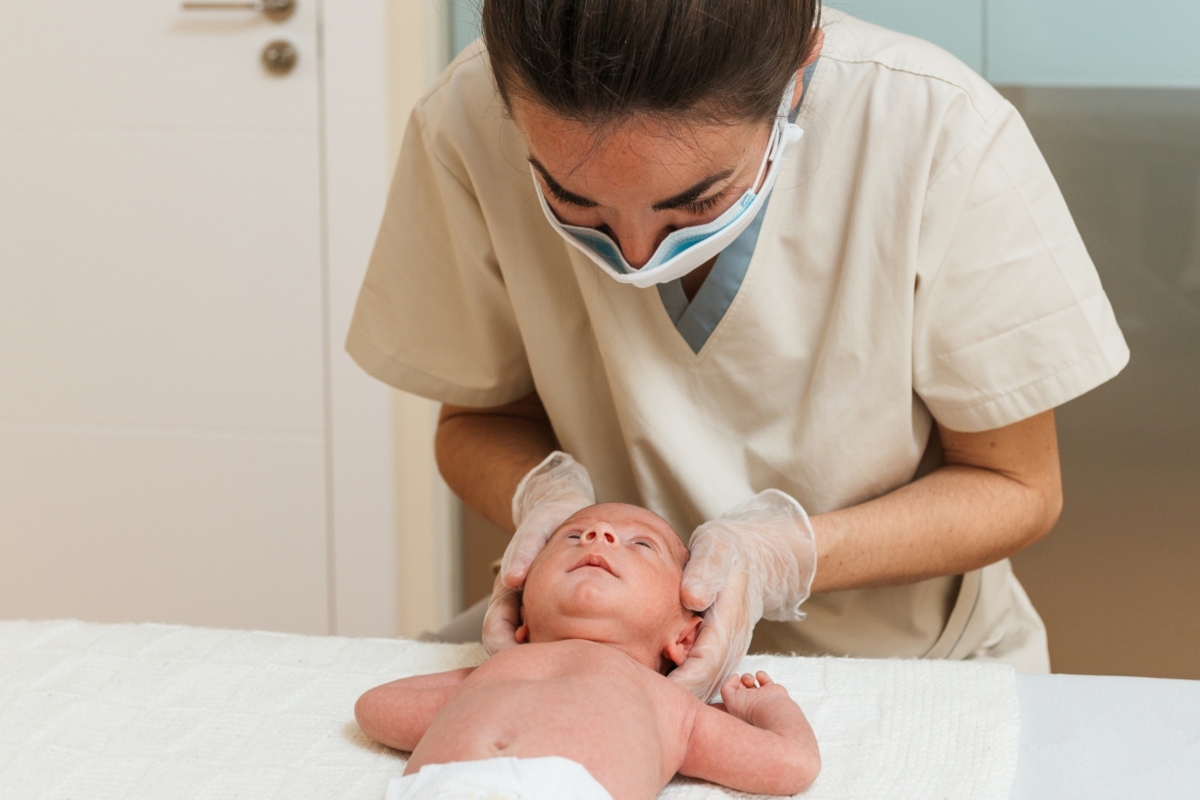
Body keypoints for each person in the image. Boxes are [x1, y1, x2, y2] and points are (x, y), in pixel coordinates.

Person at [348, 0, 1130, 701]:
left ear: (799, 77)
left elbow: (1017, 484)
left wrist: (784, 557)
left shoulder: (936, 132)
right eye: (573, 202)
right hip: (600, 668)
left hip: (908, 663)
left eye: (699, 201)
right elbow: (476, 422)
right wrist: (545, 503)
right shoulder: (463, 119)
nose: (637, 256)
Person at [355, 503, 820, 800]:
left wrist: (770, 706)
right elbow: (375, 708)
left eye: (642, 544)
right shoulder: (493, 673)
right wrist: (471, 681)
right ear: (521, 613)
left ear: (684, 638)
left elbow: (791, 764)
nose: (598, 535)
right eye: (571, 537)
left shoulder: (668, 706)